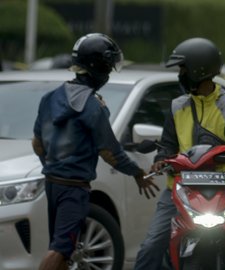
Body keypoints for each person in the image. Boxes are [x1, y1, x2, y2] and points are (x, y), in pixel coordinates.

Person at [32, 33, 159, 270]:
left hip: (52, 183)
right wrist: (137, 173)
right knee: (60, 248)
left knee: (65, 249)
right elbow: (109, 151)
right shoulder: (93, 106)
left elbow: (37, 144)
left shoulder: (49, 98)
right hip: (74, 188)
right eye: (108, 67)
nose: (109, 73)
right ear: (97, 66)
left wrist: (52, 166)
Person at [133, 37, 225, 269]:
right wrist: (160, 160)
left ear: (198, 69)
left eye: (183, 69)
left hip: (221, 189)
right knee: (151, 245)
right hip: (179, 189)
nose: (180, 74)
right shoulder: (177, 105)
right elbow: (167, 144)